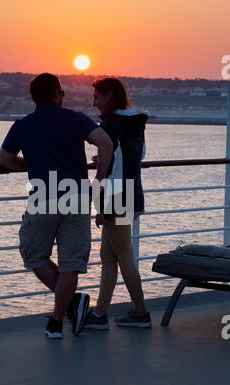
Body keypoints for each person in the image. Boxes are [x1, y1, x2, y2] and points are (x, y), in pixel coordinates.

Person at [0, 73, 113, 339]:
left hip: (43, 197)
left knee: (34, 254)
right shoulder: (76, 119)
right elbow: (105, 143)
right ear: (58, 94)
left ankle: (71, 307)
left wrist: (31, 164)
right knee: (70, 264)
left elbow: (4, 159)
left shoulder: (24, 124)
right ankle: (57, 321)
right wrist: (100, 178)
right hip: (76, 197)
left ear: (34, 97)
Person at [86, 77, 151, 330]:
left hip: (115, 195)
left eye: (97, 97)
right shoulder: (136, 121)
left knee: (123, 255)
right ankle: (101, 312)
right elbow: (139, 155)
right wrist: (107, 154)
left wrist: (100, 206)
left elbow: (108, 173)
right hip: (131, 192)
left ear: (110, 95)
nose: (94, 103)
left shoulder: (110, 124)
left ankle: (140, 312)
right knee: (108, 256)